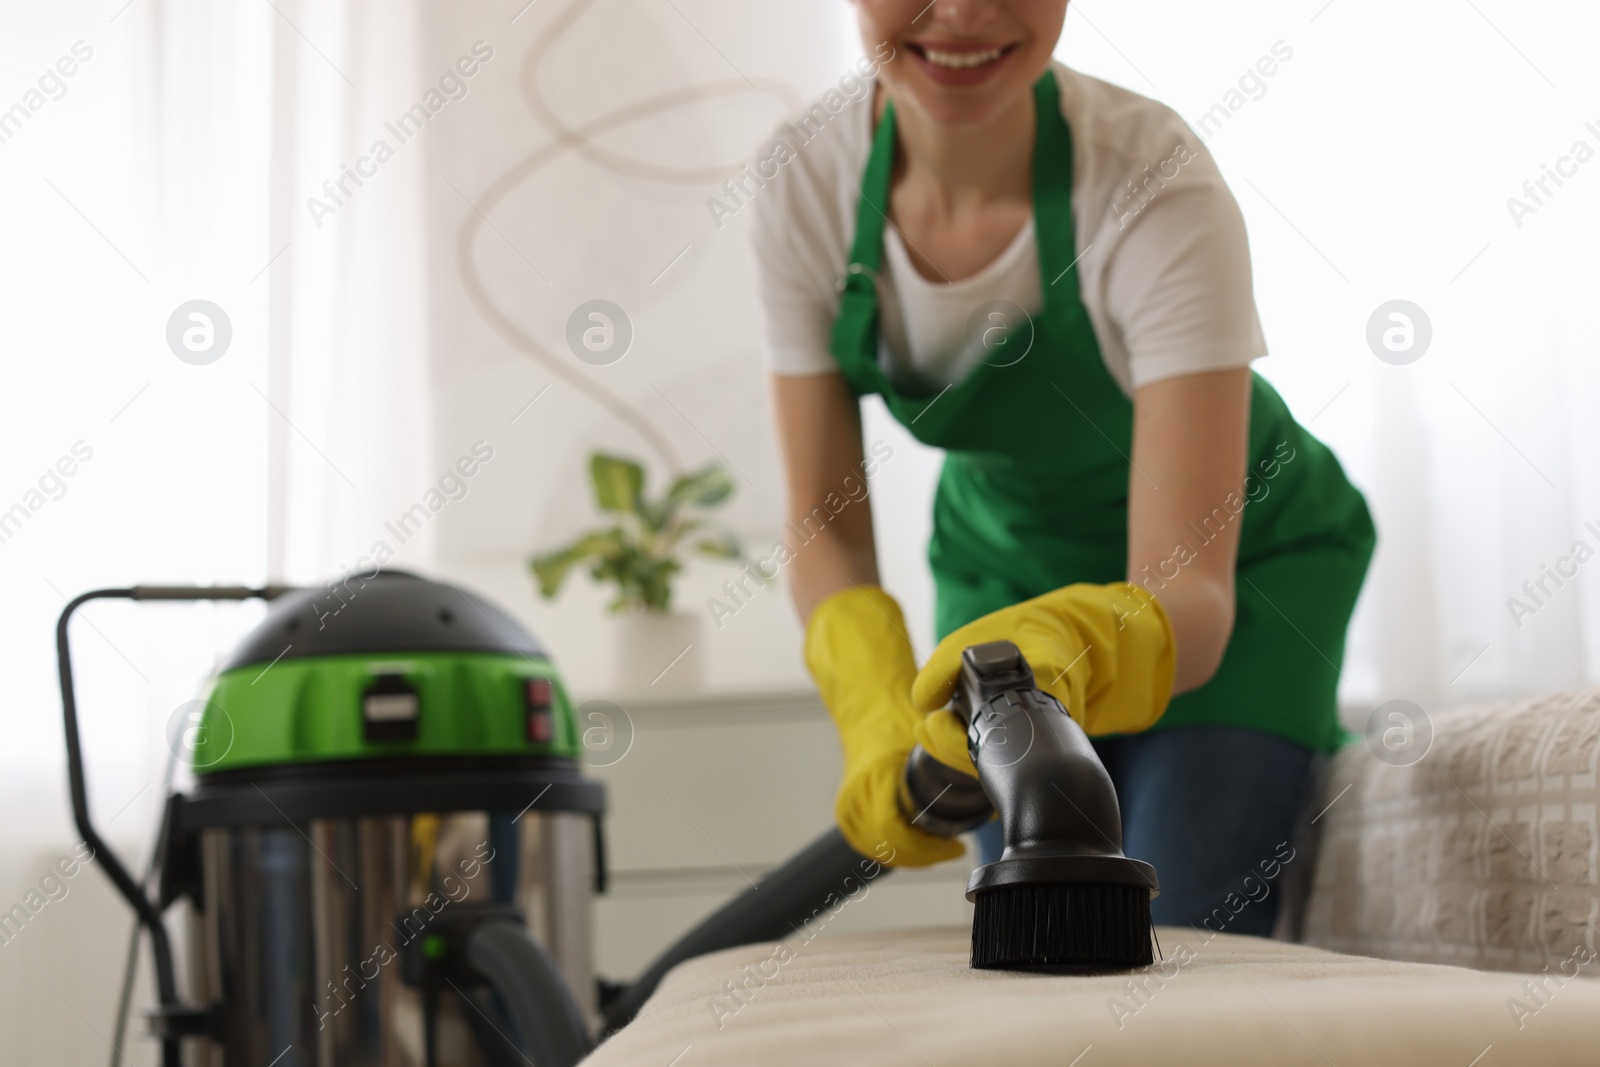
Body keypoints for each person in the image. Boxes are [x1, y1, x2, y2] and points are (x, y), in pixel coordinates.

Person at [752, 0, 1374, 935]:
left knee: (1180, 931)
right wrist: (874, 709)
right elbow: (827, 525)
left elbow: (1191, 594)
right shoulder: (808, 182)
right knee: (1037, 923)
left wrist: (1060, 648)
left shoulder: (1150, 181)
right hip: (1003, 573)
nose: (960, 12)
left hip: (1237, 570)